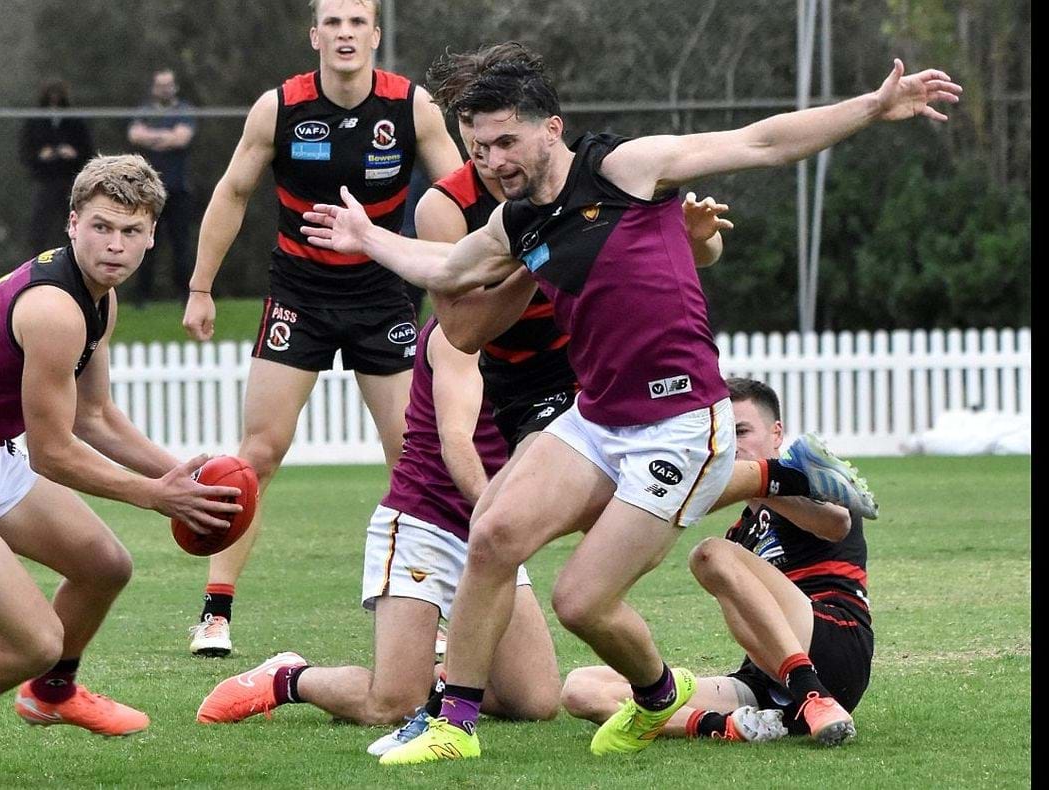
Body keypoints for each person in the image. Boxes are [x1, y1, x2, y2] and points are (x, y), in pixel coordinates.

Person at [300, 49, 957, 763]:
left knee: (580, 603)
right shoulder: (518, 222)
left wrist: (871, 106)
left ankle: (658, 694)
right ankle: (453, 725)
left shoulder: (626, 168)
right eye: (479, 148)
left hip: (682, 430)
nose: (493, 161)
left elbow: (761, 142)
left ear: (551, 128)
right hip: (600, 419)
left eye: (506, 141)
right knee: (491, 533)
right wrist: (368, 237)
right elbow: (450, 268)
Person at [0, 155, 242, 784]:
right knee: (34, 640)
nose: (114, 245)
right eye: (101, 227)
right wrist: (156, 495)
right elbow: (53, 453)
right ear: (72, 224)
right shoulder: (54, 309)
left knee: (105, 565)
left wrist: (187, 476)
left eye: (131, 231)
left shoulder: (99, 299)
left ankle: (51, 692)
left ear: (152, 235)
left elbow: (95, 417)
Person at [178, 0, 463, 659]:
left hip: (383, 294)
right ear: (315, 36)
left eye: (356, 22)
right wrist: (199, 287)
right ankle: (215, 613)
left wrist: (471, 271)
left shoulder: (412, 107)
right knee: (258, 454)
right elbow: (232, 192)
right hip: (299, 296)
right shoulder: (278, 108)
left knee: (414, 457)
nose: (344, 33)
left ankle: (437, 611)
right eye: (332, 22)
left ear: (375, 34)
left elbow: (459, 191)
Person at [194, 316, 560, 741]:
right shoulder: (458, 333)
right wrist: (497, 516)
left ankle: (434, 678)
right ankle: (289, 678)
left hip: (488, 535)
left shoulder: (553, 335)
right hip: (424, 525)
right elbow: (456, 438)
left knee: (534, 702)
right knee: (390, 706)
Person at [561, 378, 872, 746]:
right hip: (764, 680)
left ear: (776, 433)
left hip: (835, 647)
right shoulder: (740, 531)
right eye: (724, 433)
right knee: (582, 689)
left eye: (741, 431)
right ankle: (726, 726)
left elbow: (838, 522)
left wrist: (763, 479)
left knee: (710, 554)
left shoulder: (813, 485)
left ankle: (812, 694)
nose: (733, 445)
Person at [128, 68, 197, 305]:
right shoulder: (144, 110)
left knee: (181, 244)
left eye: (168, 85)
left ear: (175, 86)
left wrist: (152, 137)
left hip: (177, 189)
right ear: (154, 87)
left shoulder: (184, 110)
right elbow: (135, 135)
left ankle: (186, 295)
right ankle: (141, 297)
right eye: (160, 85)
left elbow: (181, 139)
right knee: (145, 243)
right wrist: (166, 137)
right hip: (147, 190)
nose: (165, 89)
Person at [20, 79, 95, 254]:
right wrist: (40, 155)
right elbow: (26, 150)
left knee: (72, 223)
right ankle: (37, 261)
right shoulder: (36, 121)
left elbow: (87, 150)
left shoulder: (74, 121)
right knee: (40, 226)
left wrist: (74, 154)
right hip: (45, 180)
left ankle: (75, 258)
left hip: (70, 180)